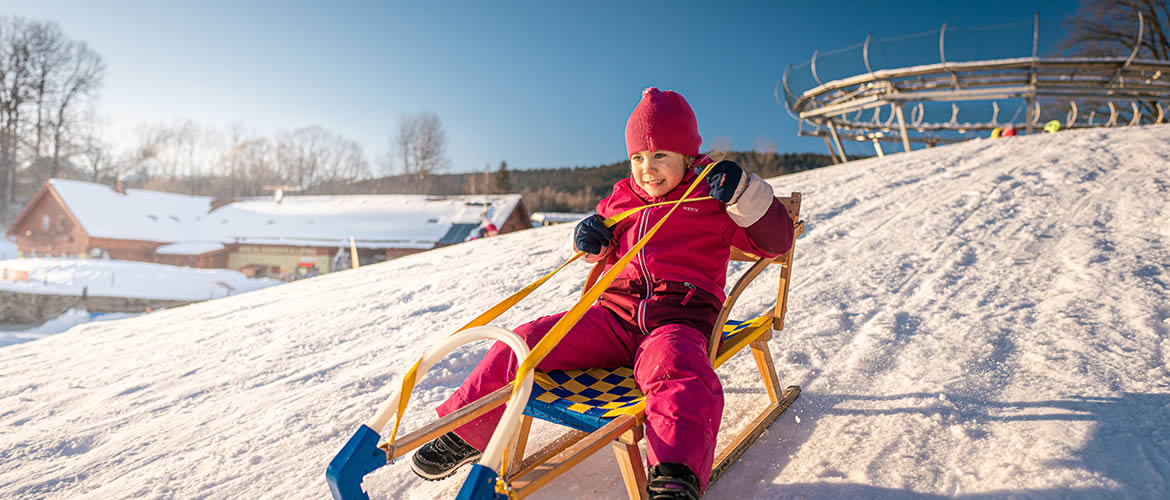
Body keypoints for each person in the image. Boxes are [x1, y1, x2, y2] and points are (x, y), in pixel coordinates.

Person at [411, 88, 795, 499]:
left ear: (687, 154)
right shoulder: (622, 197)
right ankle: (467, 430)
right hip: (612, 317)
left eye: (661, 155)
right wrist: (589, 238)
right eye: (638, 158)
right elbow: (606, 244)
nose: (648, 169)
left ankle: (674, 475)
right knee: (523, 343)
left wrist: (744, 193)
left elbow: (776, 241)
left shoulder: (711, 196)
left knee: (679, 373)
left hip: (678, 320)